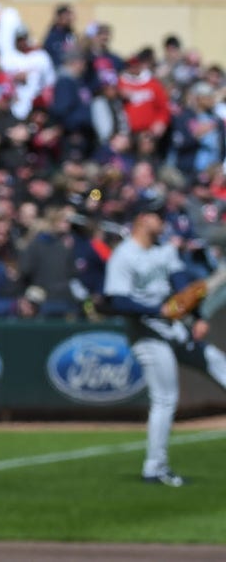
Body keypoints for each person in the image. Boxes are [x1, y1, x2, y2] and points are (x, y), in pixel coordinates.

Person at [103, 196, 226, 487]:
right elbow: (115, 300)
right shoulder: (125, 255)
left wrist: (196, 316)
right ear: (143, 218)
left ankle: (155, 467)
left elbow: (181, 285)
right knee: (165, 398)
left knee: (218, 362)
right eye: (158, 215)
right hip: (146, 333)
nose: (163, 221)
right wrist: (155, 310)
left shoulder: (164, 250)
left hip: (173, 328)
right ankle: (154, 468)